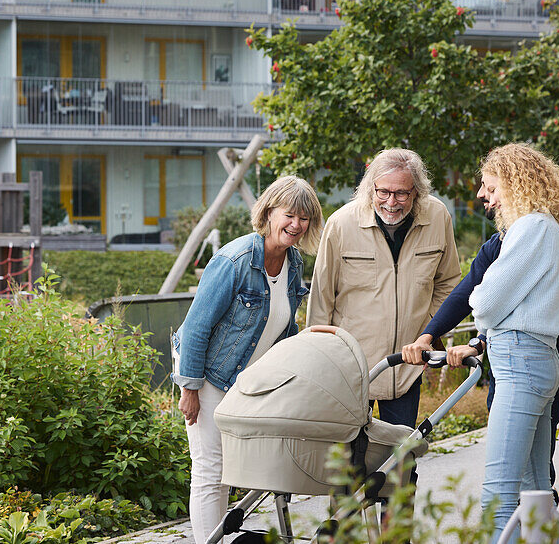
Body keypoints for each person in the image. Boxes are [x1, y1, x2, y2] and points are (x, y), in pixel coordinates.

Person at [411, 144, 559, 541]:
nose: (486, 196)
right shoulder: (547, 228)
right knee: (535, 488)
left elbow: (482, 302)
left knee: (500, 492)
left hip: (520, 361)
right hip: (537, 358)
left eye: (491, 186)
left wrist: (485, 307)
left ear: (515, 183)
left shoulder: (531, 228)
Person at [171, 176, 324, 544]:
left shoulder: (294, 263)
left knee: (241, 471)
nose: (296, 225)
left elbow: (284, 331)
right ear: (269, 213)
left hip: (251, 385)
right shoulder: (234, 259)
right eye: (290, 215)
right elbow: (195, 328)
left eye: (304, 218)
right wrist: (189, 389)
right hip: (210, 379)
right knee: (210, 470)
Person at [308, 148, 460, 428]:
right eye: (383, 192)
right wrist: (321, 364)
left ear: (417, 192)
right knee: (348, 461)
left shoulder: (438, 216)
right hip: (351, 369)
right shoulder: (341, 224)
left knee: (402, 458)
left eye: (402, 193)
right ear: (370, 188)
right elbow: (321, 299)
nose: (392, 202)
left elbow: (448, 282)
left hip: (407, 366)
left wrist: (429, 331)